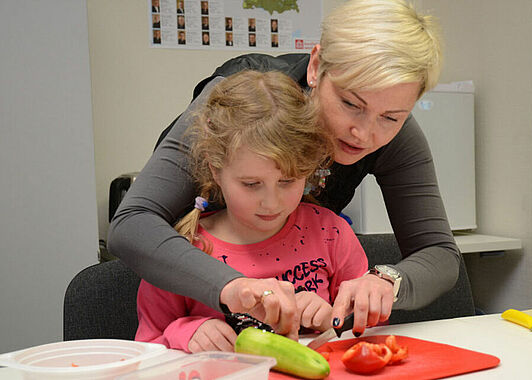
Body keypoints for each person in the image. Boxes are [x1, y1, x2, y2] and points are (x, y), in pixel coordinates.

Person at [109, 0, 460, 340]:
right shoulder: (245, 107)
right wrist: (233, 286)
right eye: (351, 104)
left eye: (391, 117)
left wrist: (388, 280)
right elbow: (132, 224)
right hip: (192, 301)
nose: (366, 133)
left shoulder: (394, 137)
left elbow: (440, 255)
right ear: (316, 65)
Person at [135, 70, 369, 352]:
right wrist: (184, 332)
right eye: (251, 184)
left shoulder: (331, 235)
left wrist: (332, 318)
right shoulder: (181, 250)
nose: (271, 203)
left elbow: (369, 332)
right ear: (216, 170)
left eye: (287, 181)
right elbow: (146, 348)